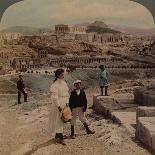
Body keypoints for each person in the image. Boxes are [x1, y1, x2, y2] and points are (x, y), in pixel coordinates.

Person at [48, 69, 69, 145]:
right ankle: (61, 138)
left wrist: (67, 102)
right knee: (59, 120)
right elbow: (54, 97)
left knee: (63, 119)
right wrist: (58, 106)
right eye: (62, 74)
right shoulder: (55, 85)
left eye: (63, 74)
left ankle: (58, 135)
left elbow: (67, 93)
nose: (63, 75)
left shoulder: (64, 83)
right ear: (58, 75)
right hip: (58, 104)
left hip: (64, 102)